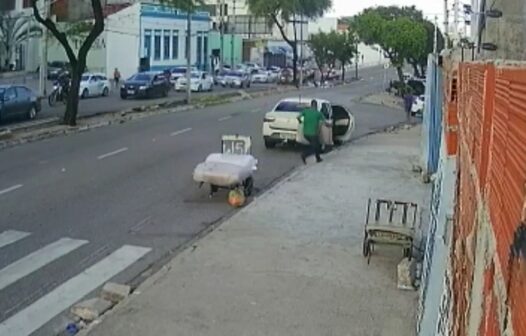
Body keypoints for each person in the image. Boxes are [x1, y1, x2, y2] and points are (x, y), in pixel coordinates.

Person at [298, 99, 324, 164]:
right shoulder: (318, 113)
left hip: (305, 133)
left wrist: (300, 121)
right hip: (313, 133)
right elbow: (324, 122)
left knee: (315, 145)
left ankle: (318, 158)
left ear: (311, 105)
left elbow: (298, 117)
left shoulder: (306, 111)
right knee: (316, 147)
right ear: (316, 106)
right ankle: (305, 155)